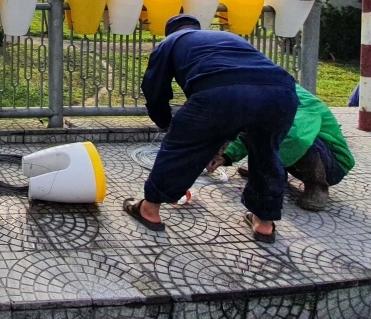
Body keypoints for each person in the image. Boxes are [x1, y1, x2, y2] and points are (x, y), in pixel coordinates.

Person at [122, 14, 298, 243]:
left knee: (180, 148)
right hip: (280, 93)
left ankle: (149, 209)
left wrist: (166, 123)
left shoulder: (171, 41)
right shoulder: (228, 36)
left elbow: (154, 88)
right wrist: (222, 138)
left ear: (170, 31)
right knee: (266, 153)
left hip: (220, 92)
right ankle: (264, 223)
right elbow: (246, 91)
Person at [209, 84, 355, 211]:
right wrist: (226, 154)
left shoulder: (300, 101)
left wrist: (264, 169)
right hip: (293, 154)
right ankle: (277, 172)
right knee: (261, 127)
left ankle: (317, 187)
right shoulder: (265, 96)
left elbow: (297, 139)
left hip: (331, 166)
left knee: (290, 135)